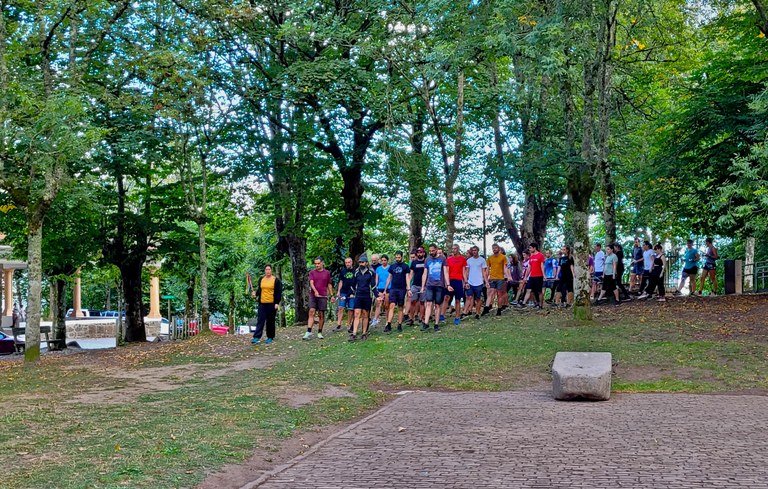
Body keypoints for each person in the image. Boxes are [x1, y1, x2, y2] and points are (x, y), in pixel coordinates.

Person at [420, 244, 449, 332]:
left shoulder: (442, 259)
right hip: (429, 285)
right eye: (430, 251)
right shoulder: (427, 259)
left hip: (440, 285)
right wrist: (422, 286)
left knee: (437, 305)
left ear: (436, 249)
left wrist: (448, 284)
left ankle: (436, 324)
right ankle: (426, 323)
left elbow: (445, 272)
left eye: (433, 250)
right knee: (428, 303)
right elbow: (425, 273)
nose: (431, 252)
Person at [251, 265, 282, 344]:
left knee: (270, 321)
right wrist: (255, 294)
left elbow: (278, 292)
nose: (268, 271)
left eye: (269, 269)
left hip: (271, 303)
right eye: (266, 269)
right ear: (264, 271)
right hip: (262, 303)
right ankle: (256, 337)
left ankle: (270, 337)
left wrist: (276, 303)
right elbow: (259, 290)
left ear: (271, 270)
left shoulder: (276, 280)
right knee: (260, 319)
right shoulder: (261, 279)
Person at [349, 254, 377, 341]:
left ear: (366, 263)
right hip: (358, 295)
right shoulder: (356, 273)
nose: (361, 264)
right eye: (360, 262)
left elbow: (373, 286)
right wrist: (349, 294)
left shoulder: (371, 273)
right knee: (356, 314)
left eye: (363, 262)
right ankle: (354, 334)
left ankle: (364, 333)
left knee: (366, 314)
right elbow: (353, 285)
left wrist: (377, 295)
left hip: (367, 296)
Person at [305, 257, 333, 340]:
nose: (317, 265)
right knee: (311, 311)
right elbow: (311, 283)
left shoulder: (327, 273)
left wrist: (331, 295)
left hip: (323, 296)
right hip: (313, 295)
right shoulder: (312, 273)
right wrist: (315, 291)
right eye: (315, 263)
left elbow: (329, 284)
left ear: (322, 263)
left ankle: (320, 332)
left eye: (318, 263)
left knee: (321, 314)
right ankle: (308, 332)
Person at [384, 252, 410, 333]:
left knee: (400, 307)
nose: (397, 259)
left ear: (402, 257)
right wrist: (385, 289)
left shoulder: (405, 266)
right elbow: (389, 277)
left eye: (399, 257)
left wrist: (408, 288)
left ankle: (399, 324)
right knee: (391, 305)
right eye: (396, 257)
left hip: (402, 289)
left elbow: (407, 278)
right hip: (393, 289)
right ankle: (388, 324)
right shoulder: (392, 266)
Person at [445, 244, 468, 325]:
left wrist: (466, 282)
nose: (453, 250)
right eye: (452, 249)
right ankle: (441, 315)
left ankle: (457, 317)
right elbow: (446, 272)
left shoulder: (463, 259)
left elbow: (464, 272)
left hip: (458, 280)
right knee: (446, 298)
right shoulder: (449, 259)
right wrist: (447, 283)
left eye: (455, 249)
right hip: (450, 280)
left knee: (458, 300)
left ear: (458, 249)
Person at [464, 245, 488, 320]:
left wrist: (486, 281)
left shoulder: (482, 260)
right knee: (469, 297)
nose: (474, 252)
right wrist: (466, 281)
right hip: (470, 281)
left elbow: (484, 272)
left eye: (475, 250)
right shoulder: (469, 260)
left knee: (478, 298)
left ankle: (478, 313)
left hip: (479, 282)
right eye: (473, 250)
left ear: (478, 251)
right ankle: (465, 312)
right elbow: (467, 272)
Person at [483, 244, 507, 316]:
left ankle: (499, 309)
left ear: (498, 249)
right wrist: (486, 279)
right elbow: (487, 269)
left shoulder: (503, 257)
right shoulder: (490, 258)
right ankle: (486, 308)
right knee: (490, 293)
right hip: (492, 278)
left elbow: (505, 267)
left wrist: (507, 276)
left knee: (499, 294)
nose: (494, 249)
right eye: (493, 248)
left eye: (495, 248)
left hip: (500, 278)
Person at [335, 257, 356, 332]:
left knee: (351, 309)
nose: (347, 264)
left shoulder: (355, 271)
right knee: (341, 307)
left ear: (352, 262)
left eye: (349, 262)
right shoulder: (343, 271)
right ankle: (338, 324)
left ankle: (349, 324)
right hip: (343, 291)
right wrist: (338, 291)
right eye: (346, 262)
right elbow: (341, 281)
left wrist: (354, 292)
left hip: (352, 293)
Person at [407, 247, 427, 325]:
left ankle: (421, 318)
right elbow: (411, 274)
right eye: (418, 253)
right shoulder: (414, 262)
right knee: (412, 301)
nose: (419, 254)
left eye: (421, 252)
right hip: (414, 285)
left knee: (422, 302)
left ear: (423, 253)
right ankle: (411, 318)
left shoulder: (426, 262)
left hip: (424, 285)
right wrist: (408, 285)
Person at [525, 243, 546, 309]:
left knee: (539, 291)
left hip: (539, 276)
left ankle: (541, 305)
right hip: (532, 276)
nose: (530, 249)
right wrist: (526, 276)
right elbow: (529, 267)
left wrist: (544, 275)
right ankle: (523, 303)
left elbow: (542, 266)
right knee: (528, 290)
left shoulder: (541, 255)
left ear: (535, 248)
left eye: (531, 248)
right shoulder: (531, 256)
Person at [372, 255, 390, 327]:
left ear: (387, 261)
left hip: (388, 288)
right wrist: (375, 288)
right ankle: (375, 319)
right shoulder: (378, 269)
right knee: (378, 303)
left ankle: (387, 320)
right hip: (380, 288)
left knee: (386, 305)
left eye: (385, 260)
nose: (383, 262)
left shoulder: (390, 268)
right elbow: (376, 279)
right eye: (382, 260)